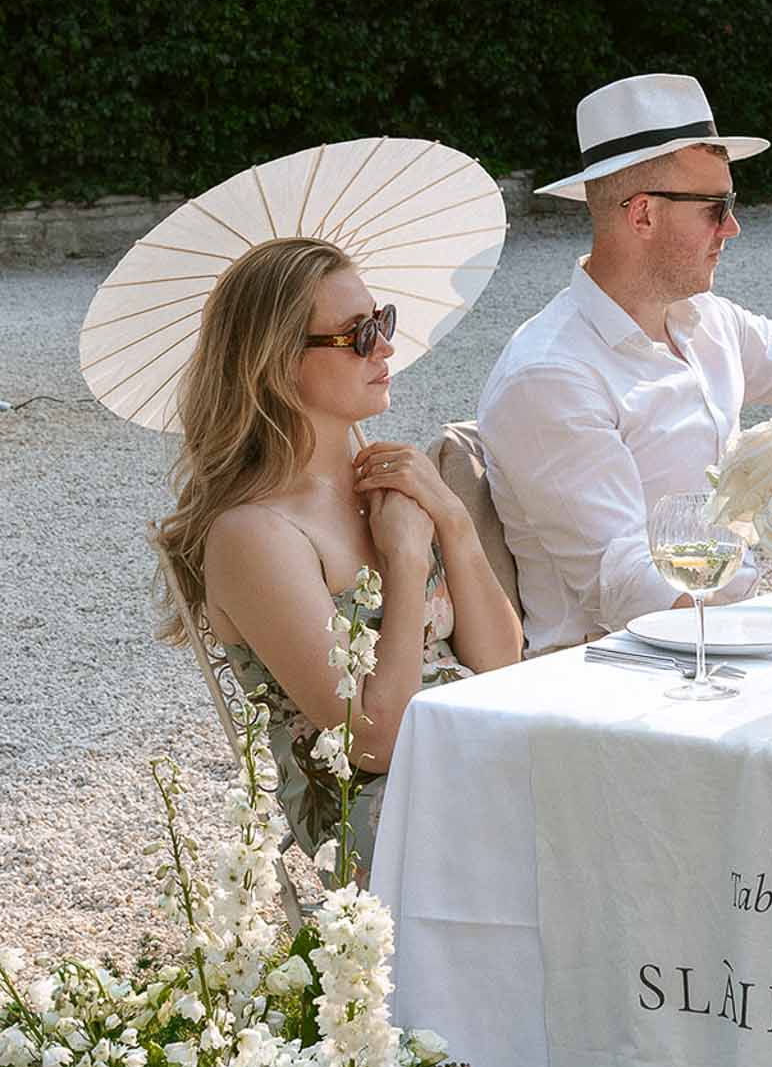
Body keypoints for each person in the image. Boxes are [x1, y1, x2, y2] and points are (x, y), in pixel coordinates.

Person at [477, 72, 772, 654]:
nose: (733, 227)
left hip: (737, 642)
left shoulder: (700, 318)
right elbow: (625, 583)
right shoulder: (549, 376)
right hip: (616, 682)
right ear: (642, 215)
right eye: (717, 208)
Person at [158, 237, 522, 872]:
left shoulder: (389, 490)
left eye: (382, 322)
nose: (385, 348)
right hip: (380, 807)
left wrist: (454, 521)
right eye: (357, 334)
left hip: (475, 748)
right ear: (277, 363)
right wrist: (406, 563)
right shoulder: (256, 535)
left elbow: (501, 664)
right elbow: (375, 740)